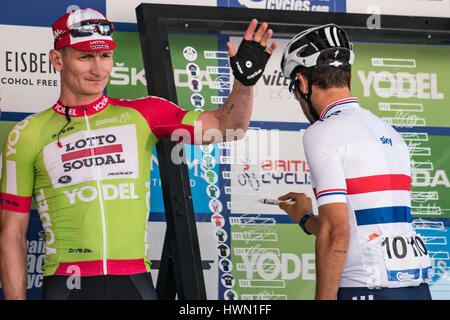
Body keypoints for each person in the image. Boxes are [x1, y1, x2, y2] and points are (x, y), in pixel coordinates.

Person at [0, 8, 277, 300]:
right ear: (57, 59)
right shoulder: (27, 134)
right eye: (85, 57)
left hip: (134, 282)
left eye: (105, 56)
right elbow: (12, 233)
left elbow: (226, 127)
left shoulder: (144, 113)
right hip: (67, 285)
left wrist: (244, 84)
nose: (98, 69)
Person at [278, 24, 432, 300]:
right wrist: (305, 219)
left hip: (365, 286)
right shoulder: (389, 132)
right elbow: (356, 223)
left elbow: (337, 232)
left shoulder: (322, 132)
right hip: (416, 287)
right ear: (348, 78)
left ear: (302, 82)